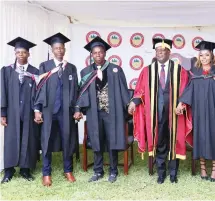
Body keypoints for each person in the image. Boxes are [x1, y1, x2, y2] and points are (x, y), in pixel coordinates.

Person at [128, 38, 192, 184]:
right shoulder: (147, 71)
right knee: (159, 141)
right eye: (158, 50)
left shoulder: (179, 70)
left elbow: (186, 90)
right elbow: (140, 91)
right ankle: (161, 172)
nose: (160, 53)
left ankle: (174, 173)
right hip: (155, 114)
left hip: (174, 113)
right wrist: (133, 101)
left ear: (169, 52)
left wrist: (182, 103)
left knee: (174, 141)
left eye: (163, 50)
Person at [76, 36, 129, 183]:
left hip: (111, 113)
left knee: (112, 141)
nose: (98, 55)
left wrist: (129, 106)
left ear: (105, 53)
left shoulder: (115, 70)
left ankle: (113, 171)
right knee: (96, 141)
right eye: (95, 52)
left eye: (100, 52)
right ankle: (98, 171)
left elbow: (124, 91)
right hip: (94, 112)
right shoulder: (86, 72)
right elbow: (81, 92)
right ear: (91, 55)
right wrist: (79, 108)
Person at [176, 41, 215, 182]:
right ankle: (203, 169)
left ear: (212, 55)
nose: (204, 57)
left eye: (206, 55)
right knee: (200, 138)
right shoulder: (195, 72)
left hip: (213, 110)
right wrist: (181, 103)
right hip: (198, 110)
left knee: (213, 137)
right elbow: (189, 90)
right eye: (201, 55)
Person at [34, 33, 80, 187]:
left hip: (66, 112)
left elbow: (75, 91)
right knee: (46, 142)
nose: (59, 50)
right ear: (52, 50)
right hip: (48, 110)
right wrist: (37, 110)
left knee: (67, 140)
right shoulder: (44, 66)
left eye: (61, 48)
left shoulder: (71, 68)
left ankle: (68, 170)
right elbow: (39, 89)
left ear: (64, 49)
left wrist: (76, 109)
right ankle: (46, 173)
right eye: (56, 48)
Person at [1, 37, 39, 183]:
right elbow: (3, 93)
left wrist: (37, 110)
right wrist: (2, 113)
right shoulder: (6, 71)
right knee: (11, 140)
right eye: (18, 52)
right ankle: (8, 171)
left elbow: (38, 93)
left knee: (28, 140)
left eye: (24, 52)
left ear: (29, 54)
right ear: (15, 53)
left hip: (28, 112)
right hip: (12, 113)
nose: (21, 54)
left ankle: (25, 170)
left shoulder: (35, 72)